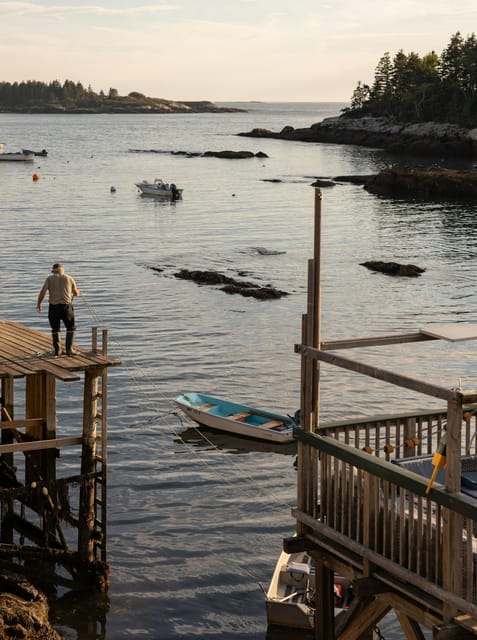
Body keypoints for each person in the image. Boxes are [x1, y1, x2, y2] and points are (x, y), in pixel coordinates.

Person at [36, 263, 80, 356]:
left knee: (55, 328)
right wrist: (76, 292)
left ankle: (58, 351)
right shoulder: (69, 278)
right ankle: (69, 350)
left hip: (53, 307)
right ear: (62, 270)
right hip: (66, 307)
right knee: (70, 327)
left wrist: (39, 304)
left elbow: (43, 291)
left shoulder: (49, 279)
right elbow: (75, 293)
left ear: (53, 271)